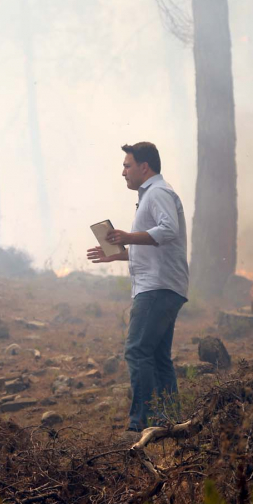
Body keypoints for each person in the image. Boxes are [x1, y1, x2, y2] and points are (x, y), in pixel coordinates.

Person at [87, 142, 188, 433]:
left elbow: (169, 231)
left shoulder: (157, 192)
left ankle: (141, 423)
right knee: (156, 356)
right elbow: (156, 246)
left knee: (136, 350)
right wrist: (117, 253)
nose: (123, 172)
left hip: (156, 287)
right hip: (163, 285)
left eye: (127, 165)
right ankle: (168, 422)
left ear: (145, 167)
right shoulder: (153, 195)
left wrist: (128, 236)